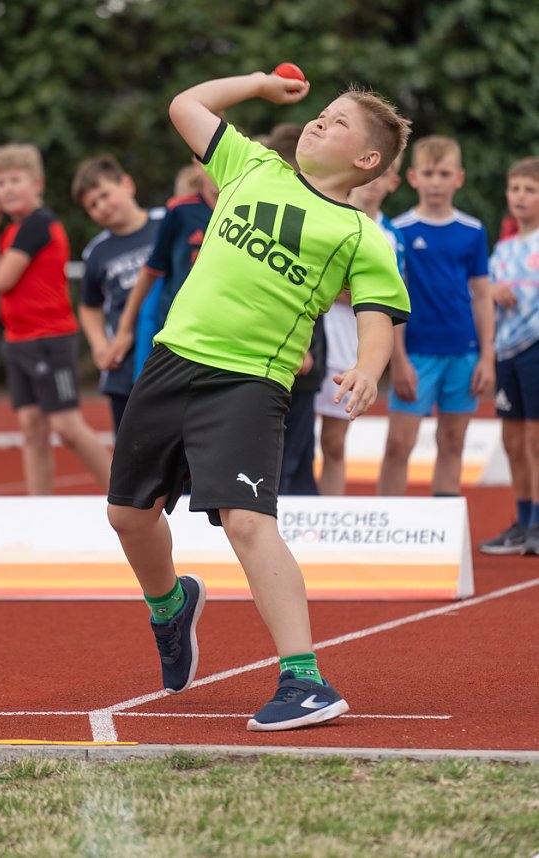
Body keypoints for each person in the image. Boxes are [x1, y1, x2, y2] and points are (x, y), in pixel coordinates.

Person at [106, 71, 411, 732]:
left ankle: (303, 680)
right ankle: (170, 606)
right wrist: (257, 84)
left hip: (250, 382)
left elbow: (377, 316)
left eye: (338, 121)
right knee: (127, 516)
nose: (320, 121)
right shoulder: (250, 165)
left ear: (367, 160)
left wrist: (367, 368)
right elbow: (184, 104)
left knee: (247, 521)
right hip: (172, 359)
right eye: (322, 112)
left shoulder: (359, 234)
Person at [0, 143, 111, 495]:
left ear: (37, 184)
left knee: (67, 426)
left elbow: (0, 281)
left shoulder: (38, 225)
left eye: (15, 180)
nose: (7, 189)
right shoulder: (11, 232)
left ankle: (125, 496)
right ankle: (39, 507)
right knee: (32, 428)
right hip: (19, 340)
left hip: (49, 339)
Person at [377, 135, 495, 498]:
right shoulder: (398, 230)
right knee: (399, 444)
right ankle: (389, 519)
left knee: (453, 442)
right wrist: (397, 359)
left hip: (463, 353)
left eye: (444, 174)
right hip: (416, 354)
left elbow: (481, 295)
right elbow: (391, 300)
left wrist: (487, 357)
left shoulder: (472, 231)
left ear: (459, 178)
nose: (436, 182)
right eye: (428, 173)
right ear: (413, 177)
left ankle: (444, 515)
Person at [315, 158, 405, 495]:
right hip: (309, 342)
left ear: (393, 182)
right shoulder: (326, 211)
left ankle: (328, 513)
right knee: (291, 437)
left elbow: (391, 301)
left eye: (384, 174)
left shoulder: (392, 236)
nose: (373, 180)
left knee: (334, 442)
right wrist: (355, 293)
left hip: (350, 350)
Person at [72, 154, 166, 431]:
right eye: (92, 205)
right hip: (126, 367)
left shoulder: (167, 221)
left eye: (104, 195)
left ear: (127, 184)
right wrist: (100, 344)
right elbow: (89, 305)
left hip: (175, 353)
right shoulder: (97, 251)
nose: (101, 207)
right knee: (130, 447)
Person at [104, 159, 219, 370]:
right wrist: (124, 329)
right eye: (211, 160)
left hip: (223, 335)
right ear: (197, 163)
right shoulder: (181, 211)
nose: (217, 169)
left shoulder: (250, 208)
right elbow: (151, 270)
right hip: (179, 335)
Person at [479, 157, 539, 556]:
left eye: (530, 189)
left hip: (536, 349)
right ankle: (523, 519)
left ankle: (537, 522)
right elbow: (483, 293)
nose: (520, 196)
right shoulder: (502, 249)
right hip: (506, 352)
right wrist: (491, 292)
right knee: (512, 440)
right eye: (515, 188)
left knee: (535, 439)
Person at [265, 122, 327, 495]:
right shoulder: (269, 215)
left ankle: (299, 509)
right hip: (278, 363)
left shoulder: (314, 216)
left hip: (301, 365)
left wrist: (304, 349)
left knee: (295, 460)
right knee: (282, 461)